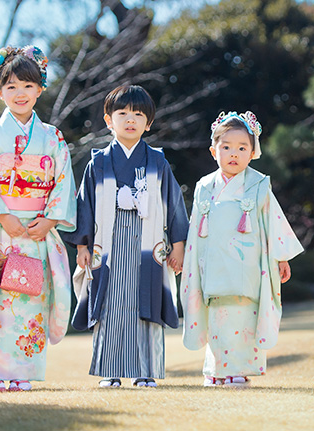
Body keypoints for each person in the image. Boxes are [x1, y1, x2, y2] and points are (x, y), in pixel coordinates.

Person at [0, 46, 77, 393]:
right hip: (0, 231)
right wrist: (3, 216)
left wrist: (50, 221)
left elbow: (64, 182)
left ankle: (23, 374)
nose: (19, 93)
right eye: (11, 87)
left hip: (36, 231)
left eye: (27, 86)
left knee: (30, 301)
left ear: (40, 89)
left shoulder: (53, 137)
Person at [63, 85, 189, 388]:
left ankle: (146, 371)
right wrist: (82, 244)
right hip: (108, 243)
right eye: (122, 113)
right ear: (109, 120)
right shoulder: (99, 163)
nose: (130, 119)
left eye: (138, 114)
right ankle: (110, 371)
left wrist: (180, 245)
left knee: (147, 302)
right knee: (110, 302)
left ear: (148, 123)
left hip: (149, 244)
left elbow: (174, 205)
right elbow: (85, 206)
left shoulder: (158, 161)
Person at [180, 111, 304, 387]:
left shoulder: (259, 185)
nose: (233, 154)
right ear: (214, 151)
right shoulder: (204, 186)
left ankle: (240, 370)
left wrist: (281, 258)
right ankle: (215, 371)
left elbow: (274, 222)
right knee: (216, 317)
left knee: (245, 316)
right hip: (213, 263)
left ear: (252, 152)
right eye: (226, 147)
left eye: (241, 148)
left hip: (248, 264)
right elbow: (195, 228)